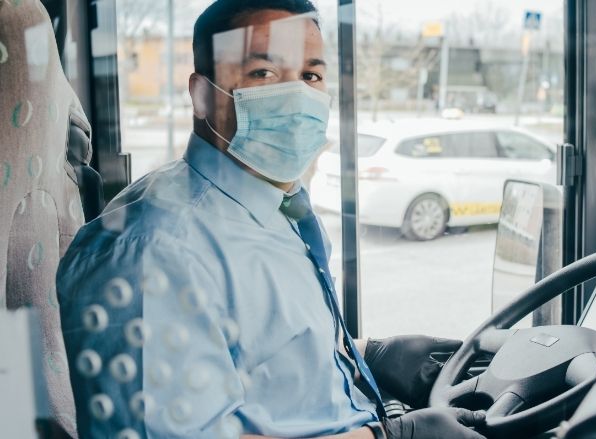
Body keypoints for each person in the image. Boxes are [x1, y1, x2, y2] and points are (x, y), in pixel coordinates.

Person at [56, 1, 487, 438]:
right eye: (263, 73)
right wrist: (389, 437)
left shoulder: (275, 204)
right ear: (202, 95)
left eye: (310, 76)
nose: (297, 96)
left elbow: (260, 358)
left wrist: (367, 354)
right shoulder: (156, 250)